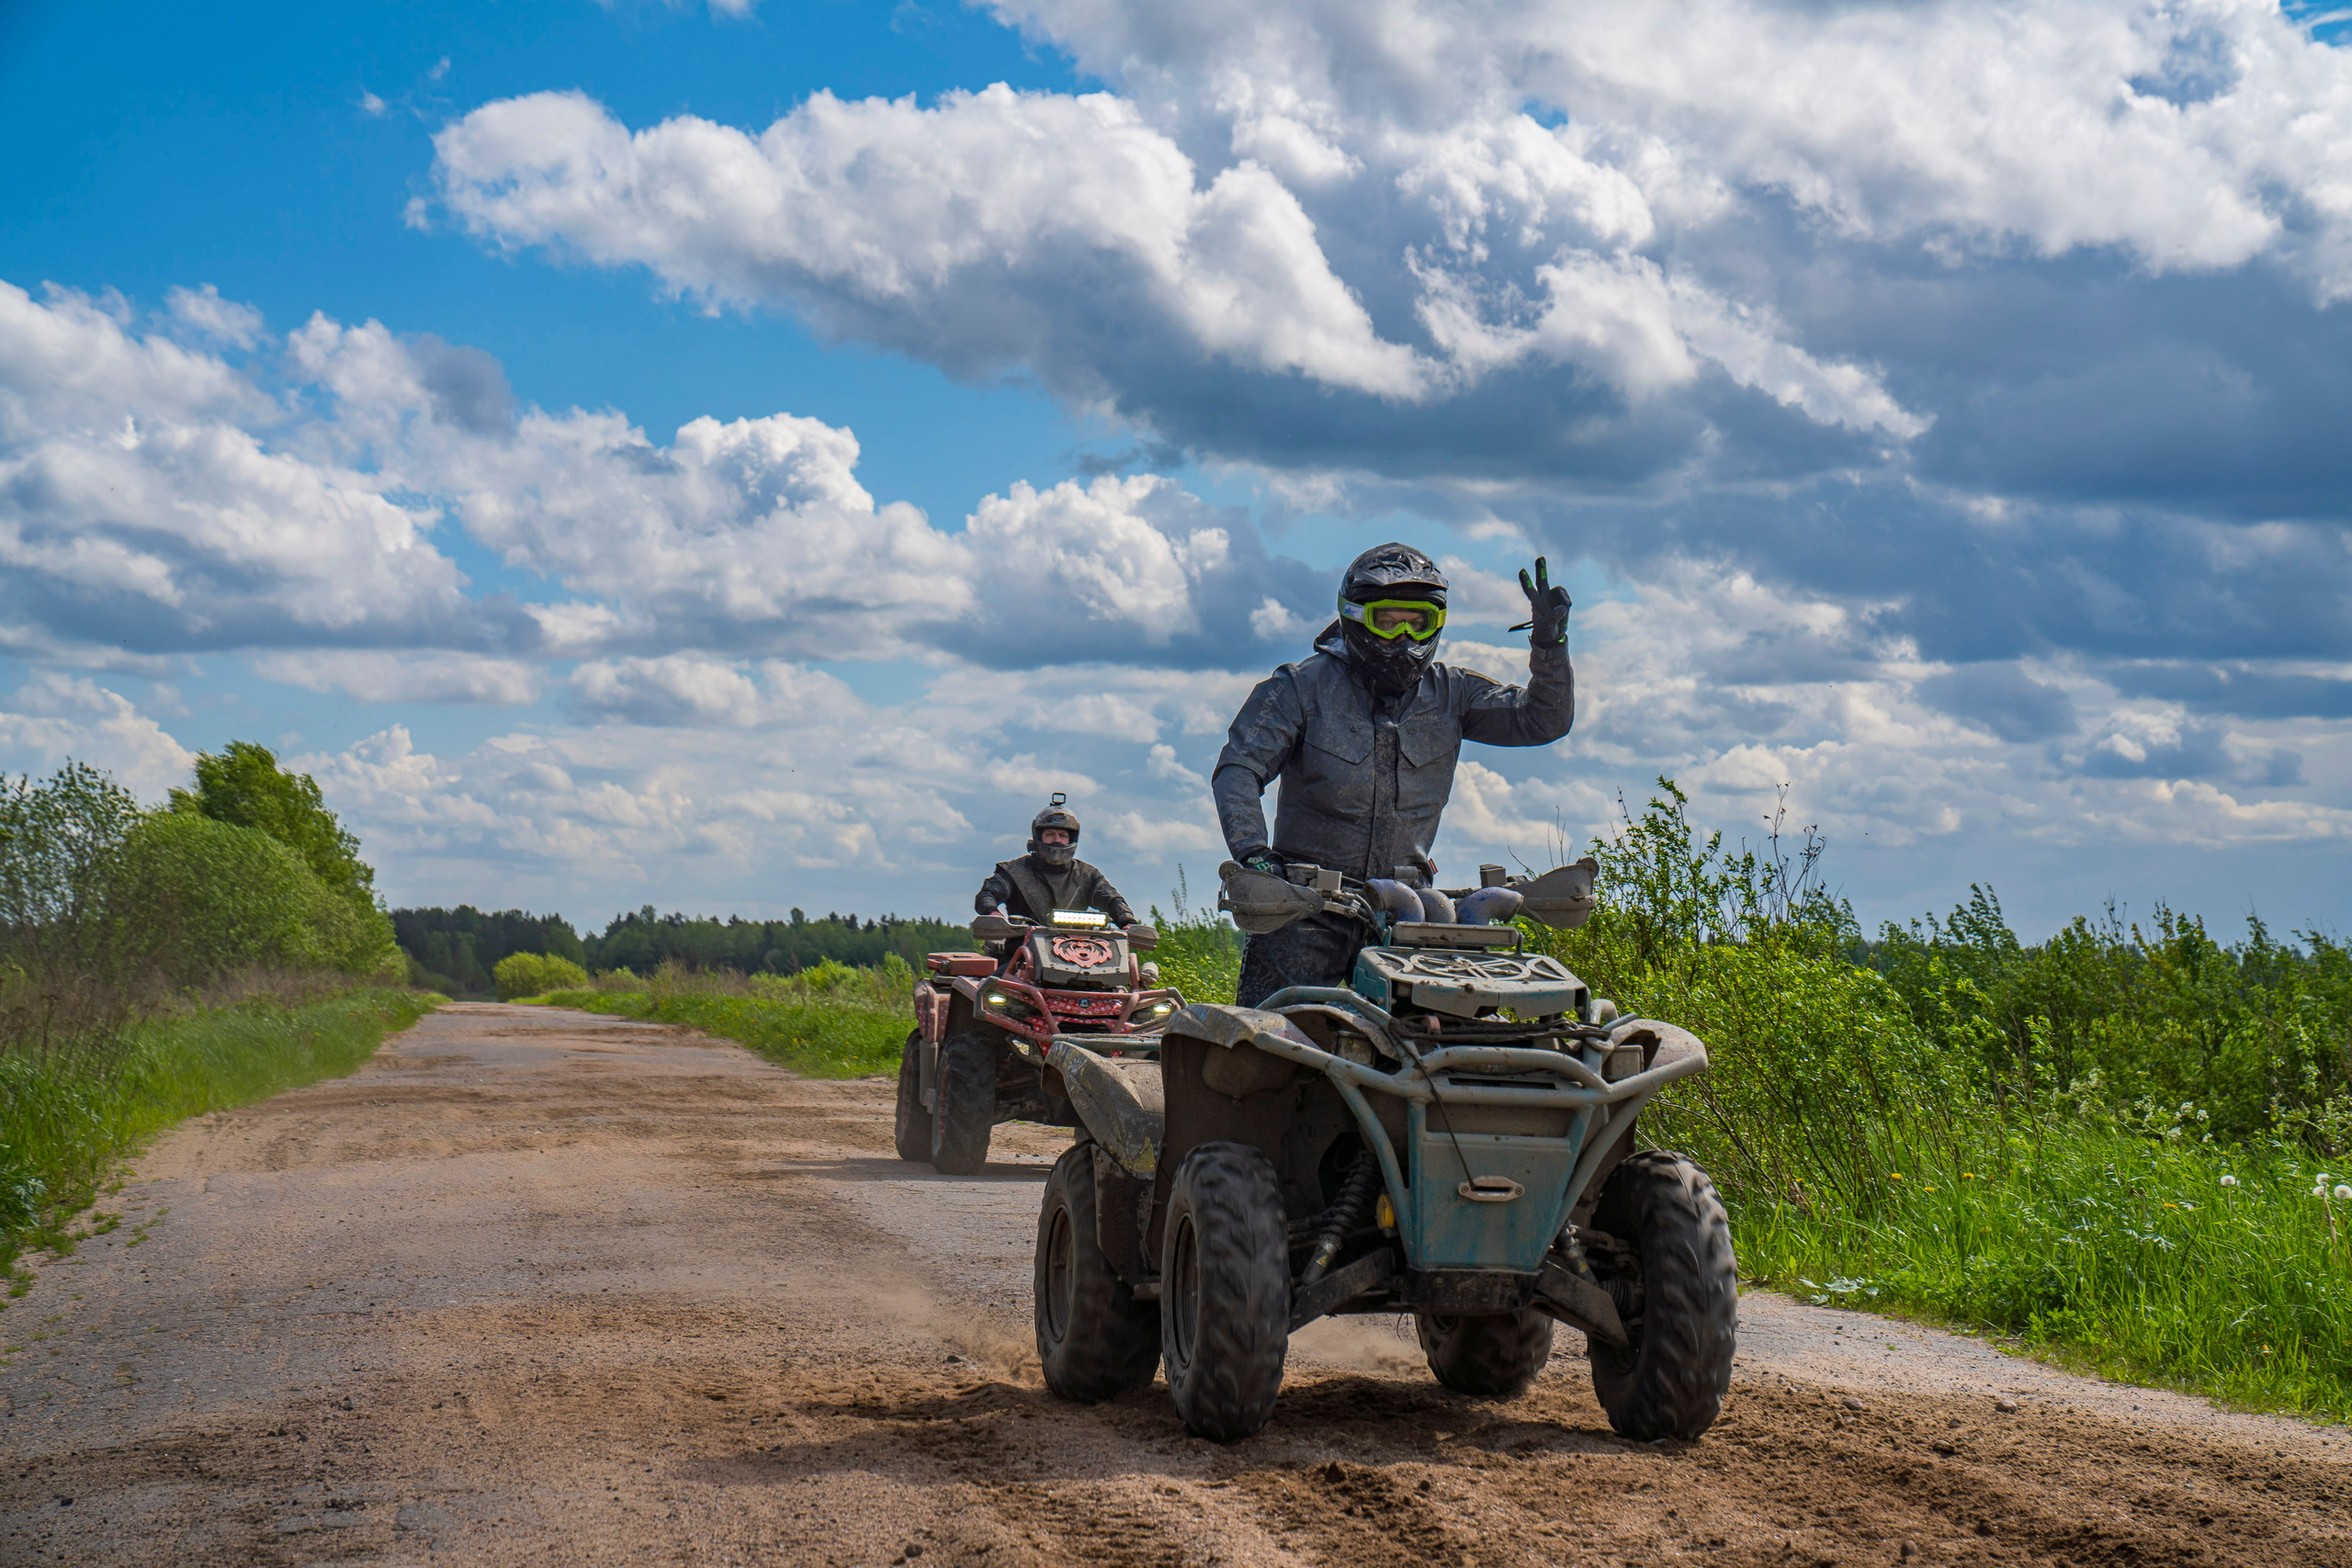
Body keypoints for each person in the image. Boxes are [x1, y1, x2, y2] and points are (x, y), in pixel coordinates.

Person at [1211, 542, 1575, 1006]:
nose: (1404, 635)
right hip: (1304, 909)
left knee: (1437, 1036)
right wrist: (1254, 853)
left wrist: (1549, 644)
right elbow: (1238, 768)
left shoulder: (1452, 692)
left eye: (1417, 621)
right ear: (1356, 616)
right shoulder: (1298, 688)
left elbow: (1542, 720)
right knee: (1270, 1040)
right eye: (1388, 619)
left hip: (1409, 911)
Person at [974, 795, 1139, 929]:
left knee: (1125, 967)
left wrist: (1127, 922)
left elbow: (1111, 898)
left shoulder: (1087, 875)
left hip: (1080, 950)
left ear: (1071, 839)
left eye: (1062, 835)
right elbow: (988, 894)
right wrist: (993, 913)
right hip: (1022, 950)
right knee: (1005, 971)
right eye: (1050, 834)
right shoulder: (1014, 872)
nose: (1056, 840)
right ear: (1039, 836)